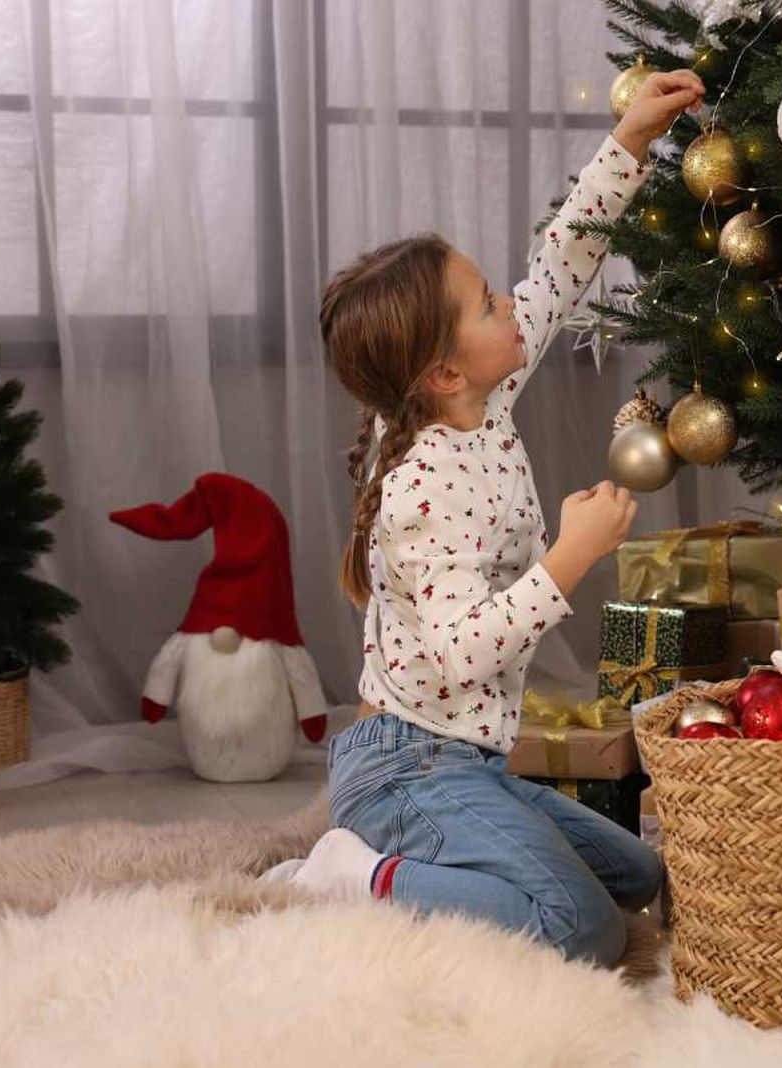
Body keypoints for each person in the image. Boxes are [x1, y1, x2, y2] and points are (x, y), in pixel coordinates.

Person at [262, 68, 705, 967]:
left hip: (465, 763)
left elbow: (559, 265)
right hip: (407, 771)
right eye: (486, 305)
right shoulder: (427, 482)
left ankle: (436, 856)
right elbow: (466, 650)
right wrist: (570, 559)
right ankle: (357, 875)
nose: (511, 303)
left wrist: (629, 142)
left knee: (633, 876)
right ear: (443, 373)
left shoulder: (477, 400)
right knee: (578, 928)